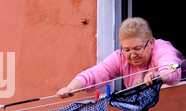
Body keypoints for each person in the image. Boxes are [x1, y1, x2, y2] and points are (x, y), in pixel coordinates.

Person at [56, 17, 185, 99]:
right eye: (127, 50)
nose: (132, 55)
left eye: (137, 48)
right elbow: (93, 75)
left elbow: (171, 67)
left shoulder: (163, 49)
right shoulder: (120, 57)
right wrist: (70, 88)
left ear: (151, 43)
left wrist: (158, 77)